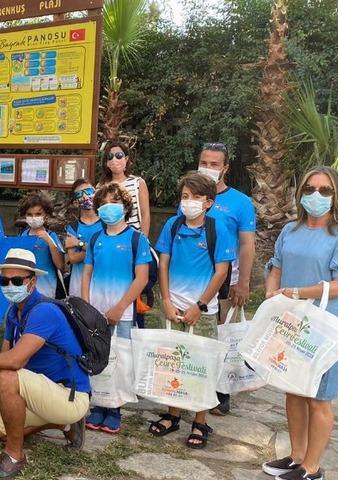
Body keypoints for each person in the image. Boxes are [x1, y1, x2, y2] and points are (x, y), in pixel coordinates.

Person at [0, 248, 90, 480]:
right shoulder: (13, 314)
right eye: (4, 281)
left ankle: (14, 456)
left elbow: (14, 361)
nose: (9, 285)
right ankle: (63, 425)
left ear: (32, 282)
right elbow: (3, 362)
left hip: (69, 395)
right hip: (40, 392)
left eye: (16, 280)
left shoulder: (44, 311)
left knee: (9, 377)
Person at [261, 166, 338, 480]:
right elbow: (276, 266)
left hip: (324, 329)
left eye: (325, 190)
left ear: (337, 196)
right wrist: (270, 292)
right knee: (294, 392)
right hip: (291, 325)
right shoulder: (290, 230)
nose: (316, 196)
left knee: (318, 398)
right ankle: (296, 456)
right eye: (310, 189)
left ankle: (312, 467)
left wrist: (297, 292)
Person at [148, 172, 234, 449]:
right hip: (172, 308)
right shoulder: (172, 226)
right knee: (173, 363)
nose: (190, 202)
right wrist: (165, 300)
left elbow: (221, 271)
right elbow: (163, 263)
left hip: (202, 311)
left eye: (196, 197)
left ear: (208, 202)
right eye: (185, 196)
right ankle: (172, 415)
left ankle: (199, 421)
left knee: (201, 366)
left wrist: (199, 305)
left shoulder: (217, 229)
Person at [80, 182, 151, 433]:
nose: (109, 207)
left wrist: (120, 308)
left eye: (114, 202)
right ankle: (98, 406)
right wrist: (87, 305)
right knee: (98, 357)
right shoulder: (95, 238)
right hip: (95, 313)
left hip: (123, 314)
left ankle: (115, 409)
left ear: (125, 207)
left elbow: (141, 278)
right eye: (104, 203)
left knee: (120, 359)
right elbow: (87, 273)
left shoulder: (136, 239)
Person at [196, 142, 257, 416]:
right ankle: (193, 386)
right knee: (196, 336)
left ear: (225, 168)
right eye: (204, 163)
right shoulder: (191, 196)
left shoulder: (240, 203)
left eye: (214, 164)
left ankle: (220, 392)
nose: (208, 168)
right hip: (193, 279)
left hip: (225, 280)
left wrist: (243, 282)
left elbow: (247, 244)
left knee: (222, 335)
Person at [98, 141, 151, 236]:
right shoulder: (101, 186)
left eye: (119, 155)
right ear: (107, 163)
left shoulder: (138, 183)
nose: (114, 159)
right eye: (110, 156)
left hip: (134, 237)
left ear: (126, 159)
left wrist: (143, 239)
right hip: (108, 236)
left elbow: (145, 214)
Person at [18, 193, 65, 298]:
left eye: (38, 214)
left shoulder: (52, 236)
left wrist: (49, 242)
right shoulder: (22, 235)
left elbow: (60, 265)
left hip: (47, 288)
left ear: (46, 216)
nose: (33, 217)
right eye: (29, 214)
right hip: (25, 288)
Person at [64, 179, 101, 297]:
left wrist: (79, 244)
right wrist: (97, 248)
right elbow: (73, 258)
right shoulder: (73, 227)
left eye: (89, 191)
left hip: (103, 284)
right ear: (75, 202)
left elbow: (106, 250)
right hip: (77, 286)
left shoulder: (107, 223)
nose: (85, 196)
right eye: (80, 194)